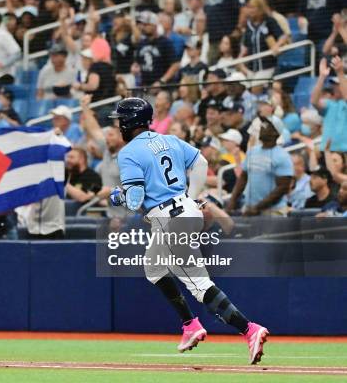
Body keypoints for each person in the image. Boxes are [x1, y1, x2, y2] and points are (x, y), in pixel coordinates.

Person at [109, 97, 269, 364]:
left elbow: (135, 201)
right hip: (185, 209)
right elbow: (202, 163)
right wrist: (191, 197)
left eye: (120, 120)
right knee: (154, 267)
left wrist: (118, 197)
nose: (118, 124)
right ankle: (190, 325)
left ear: (128, 123)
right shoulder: (170, 140)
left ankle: (249, 329)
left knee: (198, 284)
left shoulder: (128, 153)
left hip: (168, 218)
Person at [228, 116, 294, 216]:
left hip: (273, 211)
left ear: (276, 132)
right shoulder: (252, 151)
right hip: (250, 208)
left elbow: (283, 187)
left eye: (267, 125)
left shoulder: (282, 156)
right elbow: (243, 177)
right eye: (262, 124)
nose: (262, 126)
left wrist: (258, 207)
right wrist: (232, 200)